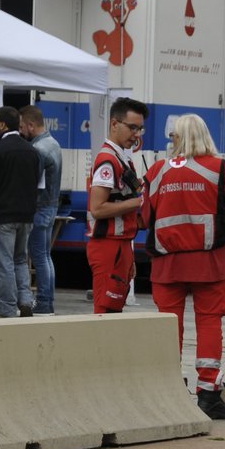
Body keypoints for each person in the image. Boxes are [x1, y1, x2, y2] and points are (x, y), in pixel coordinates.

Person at [142, 113, 225, 419]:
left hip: (167, 263)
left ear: (175, 138)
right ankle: (208, 394)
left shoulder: (158, 171)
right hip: (210, 263)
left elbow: (145, 217)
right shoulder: (220, 169)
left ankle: (170, 389)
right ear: (205, 135)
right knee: (209, 322)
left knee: (168, 324)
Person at [0, 105, 40, 318]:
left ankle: (6, 308)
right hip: (26, 215)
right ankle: (25, 301)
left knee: (3, 263)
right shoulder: (32, 151)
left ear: (3, 124)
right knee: (21, 260)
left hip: (2, 215)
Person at [87, 98, 148, 314]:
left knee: (114, 312)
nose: (137, 134)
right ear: (114, 124)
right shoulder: (108, 160)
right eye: (132, 127)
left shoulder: (122, 158)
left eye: (140, 128)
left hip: (121, 245)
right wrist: (138, 202)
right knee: (105, 313)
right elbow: (97, 208)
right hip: (108, 246)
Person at [19, 105, 63, 315]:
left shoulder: (38, 149)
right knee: (45, 256)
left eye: (21, 126)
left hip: (40, 208)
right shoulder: (53, 143)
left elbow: (32, 183)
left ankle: (44, 302)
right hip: (51, 205)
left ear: (30, 125)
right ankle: (47, 301)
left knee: (39, 257)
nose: (20, 131)